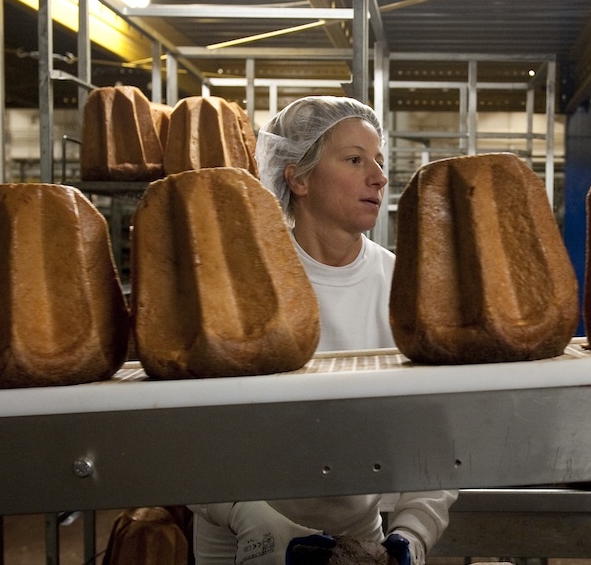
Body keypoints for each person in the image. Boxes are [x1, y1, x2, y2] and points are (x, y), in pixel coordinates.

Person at [188, 95, 458, 565]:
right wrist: (253, 519)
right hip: (243, 536)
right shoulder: (245, 281)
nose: (378, 176)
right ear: (297, 176)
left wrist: (412, 533)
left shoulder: (401, 284)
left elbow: (435, 432)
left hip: (356, 539)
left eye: (378, 160)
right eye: (355, 160)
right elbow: (188, 427)